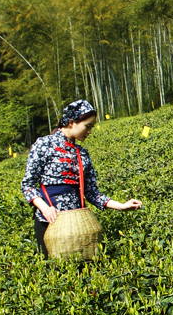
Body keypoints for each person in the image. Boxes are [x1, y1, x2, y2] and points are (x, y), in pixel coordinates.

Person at [21, 100, 142, 254]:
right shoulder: (44, 144)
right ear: (72, 123)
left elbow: (92, 193)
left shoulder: (83, 154)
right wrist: (45, 209)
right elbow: (28, 185)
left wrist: (121, 206)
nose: (90, 131)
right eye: (87, 126)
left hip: (78, 224)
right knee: (52, 270)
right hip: (49, 221)